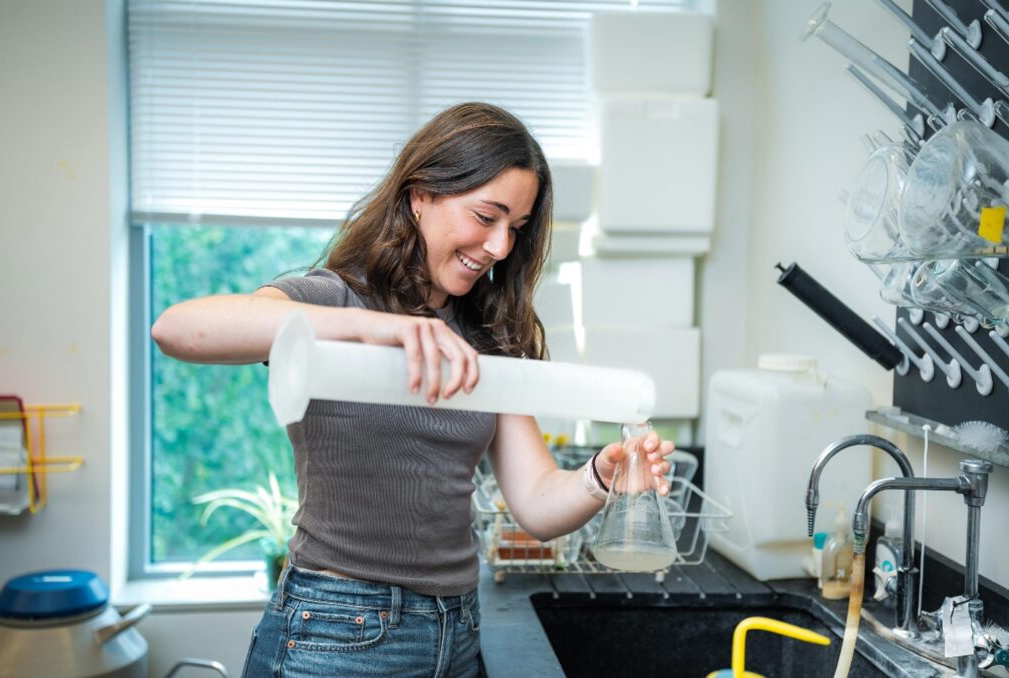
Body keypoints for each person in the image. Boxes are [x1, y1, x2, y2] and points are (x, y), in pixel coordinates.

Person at [152, 102, 674, 678]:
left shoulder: (483, 337)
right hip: (339, 630)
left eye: (515, 229)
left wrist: (603, 472)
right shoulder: (336, 299)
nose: (500, 247)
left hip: (457, 632)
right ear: (420, 195)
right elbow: (178, 329)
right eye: (486, 216)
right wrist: (376, 326)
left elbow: (537, 503)